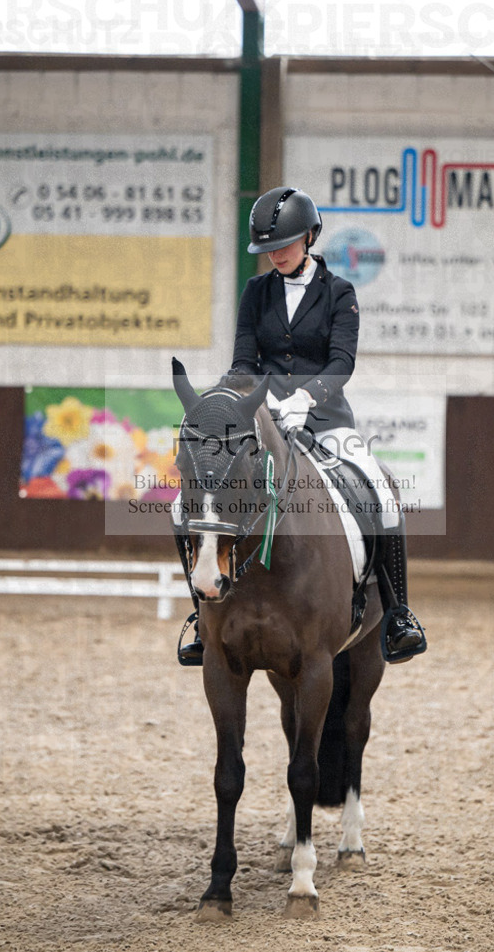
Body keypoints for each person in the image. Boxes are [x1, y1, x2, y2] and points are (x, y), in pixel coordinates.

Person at [178, 186, 425, 665]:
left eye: (285, 245)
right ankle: (198, 616)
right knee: (182, 505)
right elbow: (244, 358)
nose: (276, 255)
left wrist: (308, 397)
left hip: (327, 419)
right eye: (268, 249)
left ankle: (398, 615)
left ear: (310, 236)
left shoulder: (339, 293)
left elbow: (342, 362)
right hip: (264, 417)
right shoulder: (257, 292)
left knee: (378, 490)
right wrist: (246, 399)